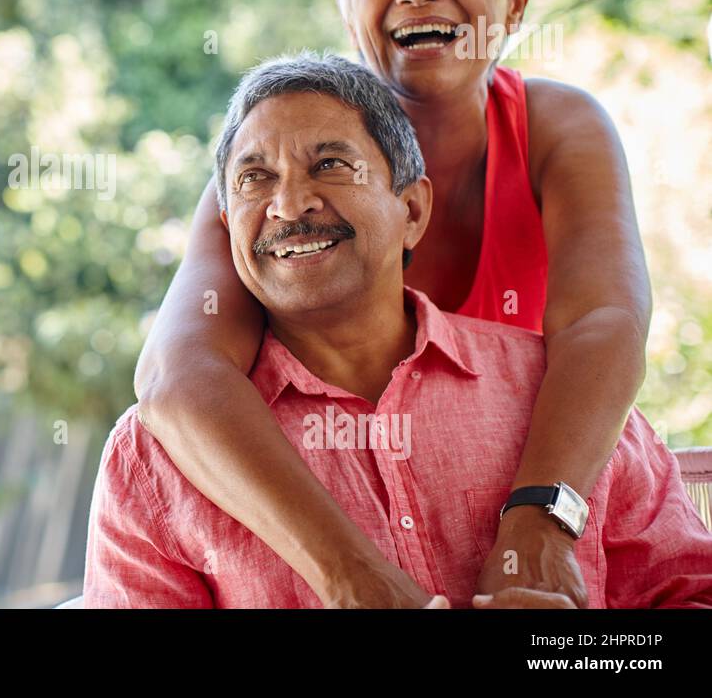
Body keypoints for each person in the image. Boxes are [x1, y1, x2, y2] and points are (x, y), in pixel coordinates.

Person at [132, 0, 653, 607]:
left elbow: (606, 321)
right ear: (348, 11)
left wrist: (539, 525)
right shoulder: (272, 178)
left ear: (515, 0)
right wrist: (353, 577)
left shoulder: (557, 128)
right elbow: (177, 379)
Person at [86, 53, 711, 608]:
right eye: (256, 178)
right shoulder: (153, 460)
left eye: (329, 164)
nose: (289, 204)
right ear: (226, 226)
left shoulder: (567, 404)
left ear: (412, 209)